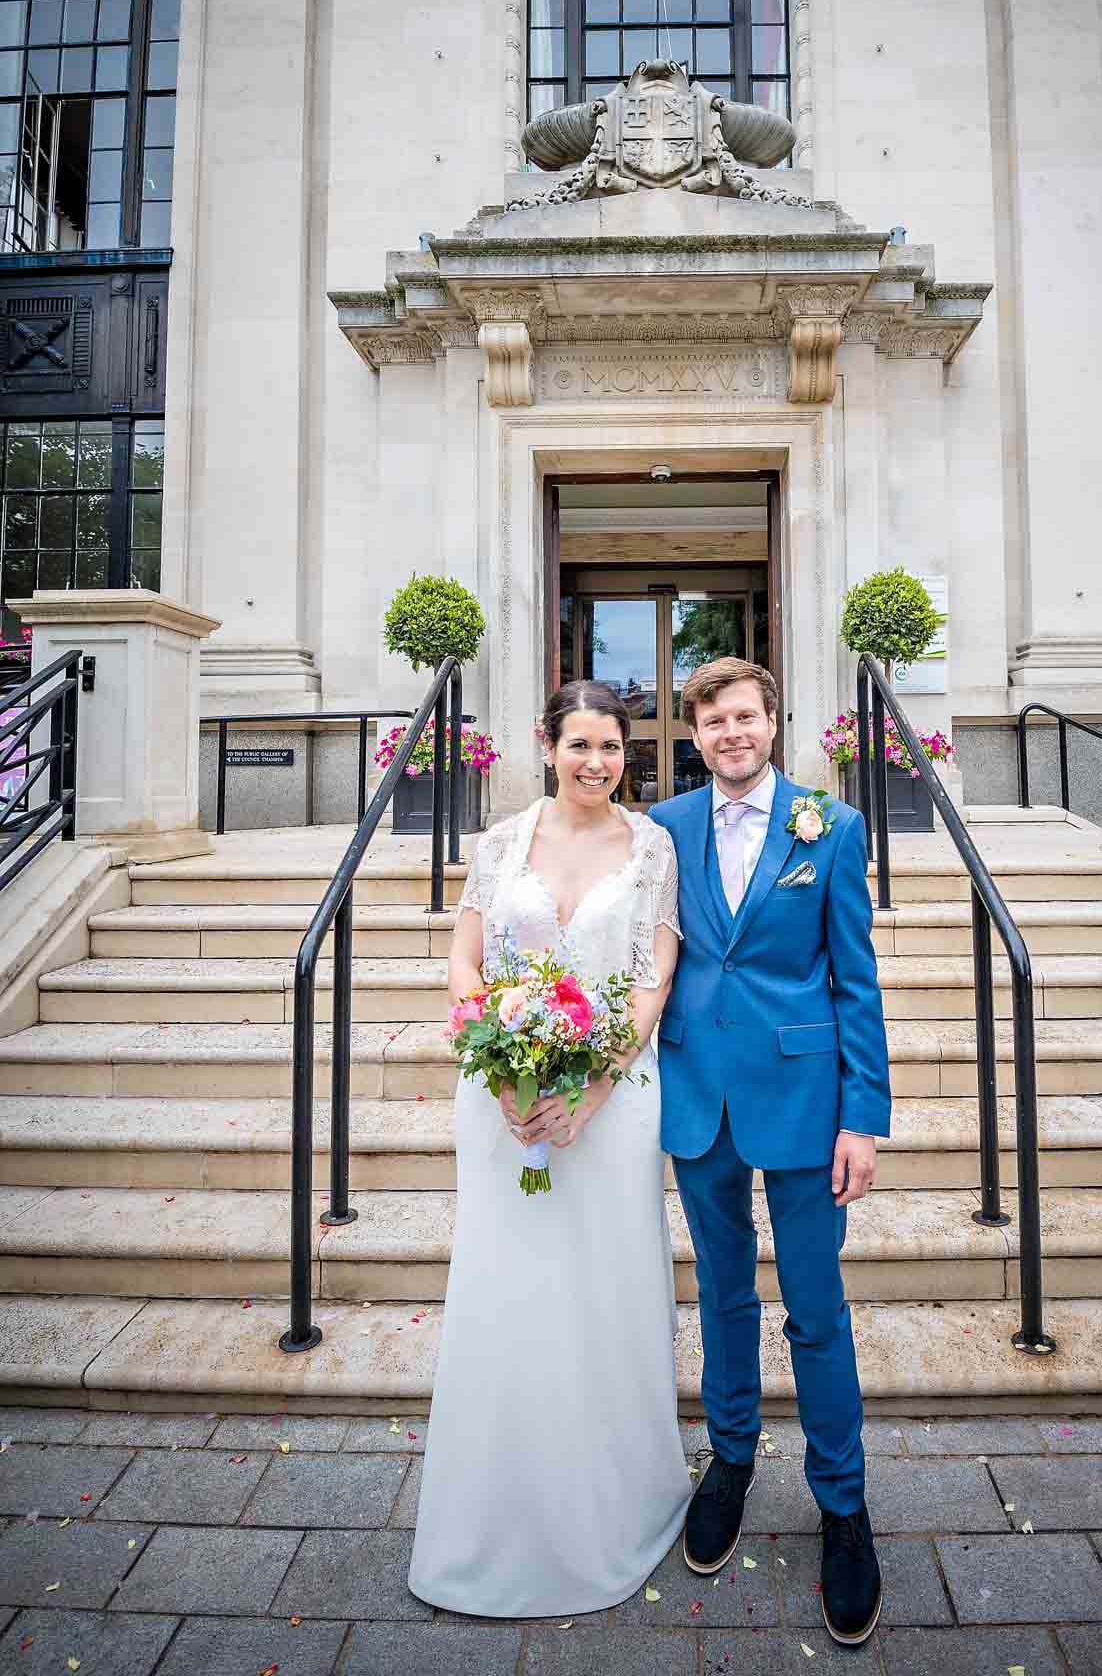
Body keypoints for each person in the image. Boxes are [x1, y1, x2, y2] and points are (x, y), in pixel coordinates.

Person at [409, 680, 691, 1618]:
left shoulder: (651, 847)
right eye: (579, 745)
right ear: (546, 746)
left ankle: (610, 1507)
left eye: (611, 747)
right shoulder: (500, 843)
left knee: (601, 1289)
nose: (596, 763)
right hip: (501, 1099)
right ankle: (492, 1512)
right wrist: (496, 1071)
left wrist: (594, 1089)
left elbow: (650, 981)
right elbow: (464, 961)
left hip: (613, 1103)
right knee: (509, 1289)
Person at [648, 657, 892, 1650]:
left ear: (771, 720)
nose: (730, 732)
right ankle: (732, 1458)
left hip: (803, 1097)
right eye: (712, 720)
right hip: (697, 1089)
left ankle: (842, 1500)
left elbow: (854, 981)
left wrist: (861, 1116)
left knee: (816, 1306)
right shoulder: (659, 829)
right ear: (694, 731)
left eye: (744, 715)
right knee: (719, 1291)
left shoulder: (828, 827)